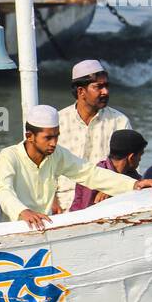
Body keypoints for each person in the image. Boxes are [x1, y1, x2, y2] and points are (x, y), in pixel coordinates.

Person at [0, 105, 152, 230]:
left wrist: (133, 185)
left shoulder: (57, 154)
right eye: (48, 138)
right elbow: (4, 191)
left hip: (46, 228)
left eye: (56, 136)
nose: (54, 143)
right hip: (15, 229)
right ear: (29, 136)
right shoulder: (9, 155)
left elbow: (90, 173)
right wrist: (23, 212)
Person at [55, 60, 133, 206]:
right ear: (81, 91)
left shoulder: (119, 121)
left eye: (107, 86)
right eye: (98, 87)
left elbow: (131, 164)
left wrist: (112, 189)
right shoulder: (58, 121)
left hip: (105, 201)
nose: (105, 92)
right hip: (63, 202)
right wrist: (52, 199)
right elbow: (44, 165)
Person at [71, 129, 148, 210]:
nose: (140, 159)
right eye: (140, 155)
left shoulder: (130, 173)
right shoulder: (95, 176)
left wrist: (114, 190)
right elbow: (86, 213)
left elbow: (140, 188)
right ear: (131, 157)